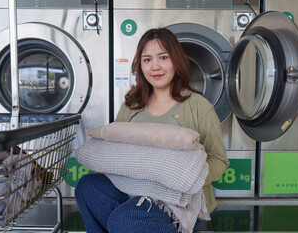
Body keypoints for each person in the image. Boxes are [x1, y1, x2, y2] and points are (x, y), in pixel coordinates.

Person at [75, 28, 229, 233]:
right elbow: (115, 150)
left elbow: (219, 159)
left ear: (176, 60)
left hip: (178, 200)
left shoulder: (198, 106)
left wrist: (186, 178)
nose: (155, 66)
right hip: (132, 189)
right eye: (147, 60)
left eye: (163, 57)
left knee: (124, 219)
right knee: (88, 187)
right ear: (140, 65)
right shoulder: (131, 105)